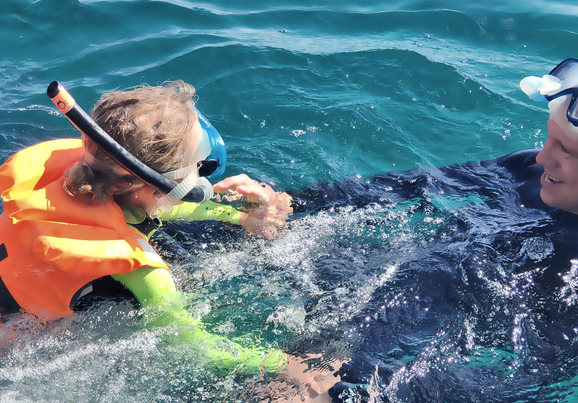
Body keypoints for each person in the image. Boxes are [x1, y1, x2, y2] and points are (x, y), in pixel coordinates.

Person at [286, 59, 578, 402]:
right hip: (363, 276)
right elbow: (421, 184)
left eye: (567, 150)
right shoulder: (532, 168)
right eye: (549, 138)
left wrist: (369, 392)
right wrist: (294, 203)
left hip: (401, 353)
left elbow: (535, 377)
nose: (544, 157)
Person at [0, 80, 335, 397]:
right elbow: (189, 344)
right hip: (16, 343)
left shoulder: (80, 177)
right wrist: (287, 365)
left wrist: (239, 216)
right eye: (195, 167)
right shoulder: (145, 271)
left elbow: (152, 207)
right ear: (157, 186)